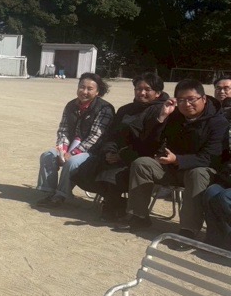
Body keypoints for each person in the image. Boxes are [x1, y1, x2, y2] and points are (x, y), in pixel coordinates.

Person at [125, 78, 229, 242]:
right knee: (142, 164)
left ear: (203, 99)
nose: (186, 104)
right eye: (181, 100)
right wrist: (162, 118)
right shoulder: (175, 116)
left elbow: (211, 157)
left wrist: (178, 160)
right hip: (172, 167)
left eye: (191, 99)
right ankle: (139, 216)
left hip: (201, 170)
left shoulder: (218, 122)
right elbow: (150, 144)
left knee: (197, 174)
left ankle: (188, 230)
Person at [71, 73, 168, 221]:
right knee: (85, 171)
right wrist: (109, 151)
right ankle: (119, 203)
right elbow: (112, 135)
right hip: (116, 155)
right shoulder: (125, 110)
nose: (142, 93)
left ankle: (111, 206)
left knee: (113, 174)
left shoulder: (162, 111)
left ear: (158, 93)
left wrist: (122, 155)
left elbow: (152, 143)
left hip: (141, 157)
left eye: (147, 89)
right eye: (138, 89)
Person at [36, 73, 115, 208]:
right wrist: (62, 149)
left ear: (97, 92)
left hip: (93, 151)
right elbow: (63, 129)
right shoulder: (71, 105)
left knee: (72, 162)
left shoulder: (104, 109)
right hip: (70, 147)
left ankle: (60, 196)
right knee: (48, 155)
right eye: (82, 87)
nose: (84, 91)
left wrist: (72, 154)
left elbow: (95, 138)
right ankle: (49, 192)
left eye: (90, 89)